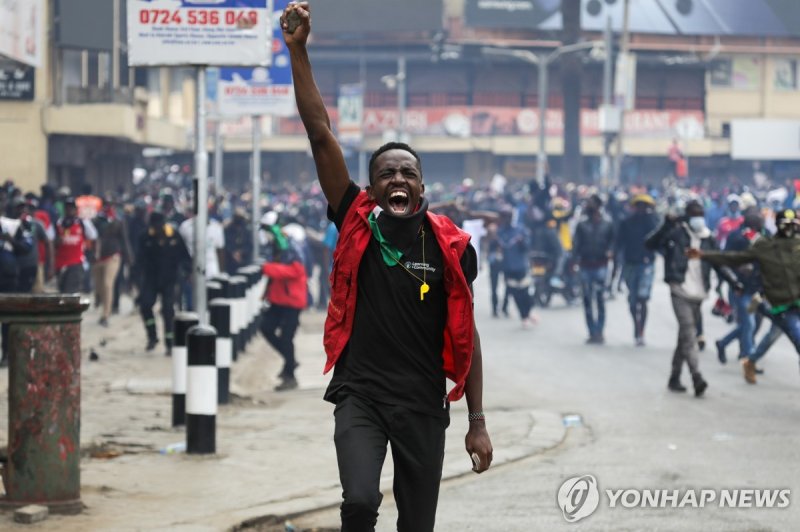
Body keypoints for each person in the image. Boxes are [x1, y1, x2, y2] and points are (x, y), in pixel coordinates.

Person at [281, 4, 493, 531]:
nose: (397, 179)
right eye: (386, 173)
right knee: (358, 503)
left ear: (422, 187)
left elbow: (469, 336)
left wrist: (478, 422)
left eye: (408, 172)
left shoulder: (451, 248)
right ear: (373, 188)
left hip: (423, 402)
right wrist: (298, 49)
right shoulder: (355, 221)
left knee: (417, 525)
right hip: (362, 396)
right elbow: (320, 134)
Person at [690, 208, 800, 384]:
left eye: (793, 225)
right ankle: (747, 357)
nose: (790, 229)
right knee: (753, 325)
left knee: (763, 330)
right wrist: (705, 255)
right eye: (786, 225)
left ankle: (748, 358)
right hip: (770, 300)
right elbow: (733, 258)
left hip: (775, 297)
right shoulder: (764, 246)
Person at [646, 200, 737, 397]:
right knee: (689, 331)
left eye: (700, 214)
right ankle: (697, 376)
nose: (698, 218)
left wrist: (733, 281)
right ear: (687, 216)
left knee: (684, 336)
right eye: (694, 214)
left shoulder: (707, 238)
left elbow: (718, 262)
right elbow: (651, 244)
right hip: (679, 289)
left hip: (699, 293)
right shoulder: (676, 234)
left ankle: (674, 376)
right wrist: (667, 224)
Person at [712, 209, 765, 365]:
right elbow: (724, 261)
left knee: (751, 324)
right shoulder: (736, 238)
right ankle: (749, 359)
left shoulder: (764, 237)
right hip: (740, 288)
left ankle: (723, 343)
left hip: (758, 289)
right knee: (749, 323)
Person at [136, 211, 191, 354]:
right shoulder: (145, 237)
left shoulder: (174, 235)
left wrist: (187, 272)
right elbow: (139, 260)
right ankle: (152, 336)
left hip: (170, 279)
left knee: (168, 310)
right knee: (145, 306)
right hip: (151, 279)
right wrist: (136, 280)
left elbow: (185, 256)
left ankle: (169, 342)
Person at [260, 232, 308, 391]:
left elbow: (293, 272)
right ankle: (290, 361)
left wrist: (267, 268)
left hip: (293, 303)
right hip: (278, 301)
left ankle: (290, 375)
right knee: (266, 328)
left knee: (286, 338)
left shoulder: (295, 254)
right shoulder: (279, 252)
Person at [617, 194, 659, 346]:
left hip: (646, 265)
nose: (642, 209)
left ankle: (642, 332)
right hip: (630, 264)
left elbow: (659, 239)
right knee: (633, 301)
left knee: (643, 298)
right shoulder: (626, 223)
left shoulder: (652, 223)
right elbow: (619, 243)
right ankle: (637, 326)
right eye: (639, 206)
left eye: (645, 206)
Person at [572, 194, 614, 344]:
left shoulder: (607, 224)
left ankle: (599, 331)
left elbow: (612, 243)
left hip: (601, 266)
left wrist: (610, 252)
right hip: (585, 266)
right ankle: (592, 332)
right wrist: (574, 261)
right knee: (588, 300)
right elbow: (575, 245)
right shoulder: (581, 225)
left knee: (600, 299)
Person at [92, 199, 132, 326]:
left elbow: (124, 239)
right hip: (98, 258)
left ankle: (105, 315)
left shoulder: (118, 221)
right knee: (99, 286)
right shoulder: (96, 221)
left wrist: (129, 256)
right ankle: (101, 302)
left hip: (113, 256)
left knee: (108, 284)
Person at [55, 198, 97, 294]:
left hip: (76, 262)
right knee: (62, 290)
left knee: (71, 290)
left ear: (75, 209)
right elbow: (52, 241)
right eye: (67, 207)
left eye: (71, 207)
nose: (69, 210)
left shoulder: (82, 223)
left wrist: (95, 253)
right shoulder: (59, 223)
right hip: (60, 262)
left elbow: (94, 236)